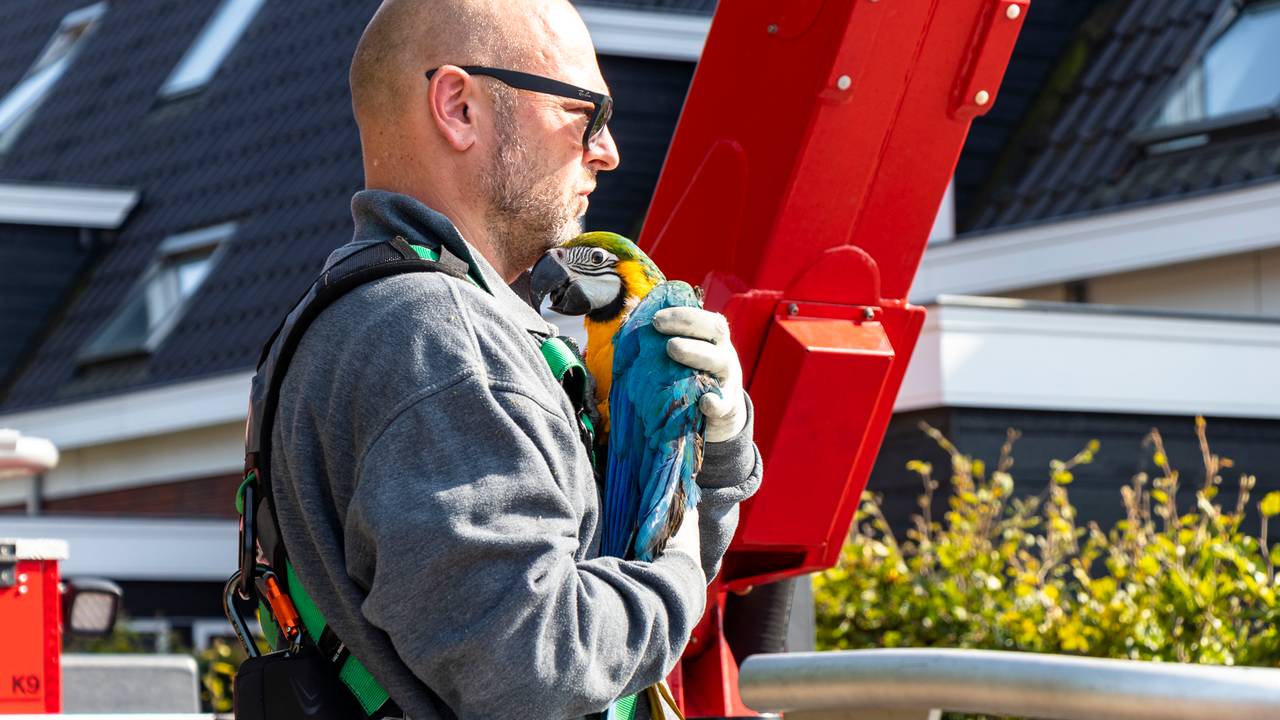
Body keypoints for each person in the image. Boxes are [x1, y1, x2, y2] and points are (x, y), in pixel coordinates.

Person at [268, 0, 762, 718]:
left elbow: (615, 585)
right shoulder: (439, 340)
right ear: (459, 107)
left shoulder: (371, 314)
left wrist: (709, 458)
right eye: (584, 111)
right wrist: (680, 571)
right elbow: (540, 667)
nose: (607, 150)